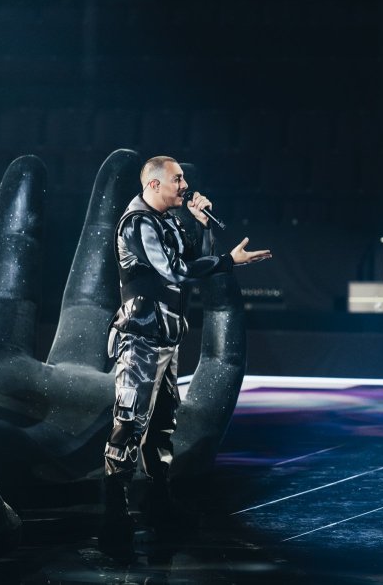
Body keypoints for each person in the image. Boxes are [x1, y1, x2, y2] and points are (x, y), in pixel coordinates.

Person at [100, 156, 271, 555]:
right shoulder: (138, 222)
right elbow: (176, 272)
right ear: (155, 184)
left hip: (166, 336)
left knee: (161, 423)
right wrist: (230, 261)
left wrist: (202, 223)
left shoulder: (167, 221)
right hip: (141, 338)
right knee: (130, 421)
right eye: (177, 180)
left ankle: (159, 504)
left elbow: (194, 257)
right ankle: (114, 512)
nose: (184, 185)